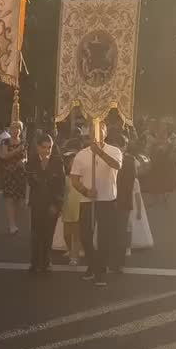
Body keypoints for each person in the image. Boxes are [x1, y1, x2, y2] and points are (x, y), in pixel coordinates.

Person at [71, 121, 123, 287]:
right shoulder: (81, 155)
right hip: (88, 200)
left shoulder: (114, 151)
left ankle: (100, 270)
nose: (96, 133)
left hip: (107, 200)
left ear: (105, 132)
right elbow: (74, 179)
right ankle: (92, 264)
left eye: (100, 129)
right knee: (86, 235)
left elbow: (117, 165)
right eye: (93, 130)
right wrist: (86, 191)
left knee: (104, 237)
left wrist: (99, 152)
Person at [26, 132, 65, 275]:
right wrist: (42, 167)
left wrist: (57, 204)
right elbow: (31, 181)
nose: (47, 150)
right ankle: (35, 262)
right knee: (36, 233)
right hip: (37, 203)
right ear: (38, 147)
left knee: (48, 234)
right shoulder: (32, 162)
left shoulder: (57, 162)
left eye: (49, 147)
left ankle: (46, 262)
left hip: (52, 203)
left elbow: (61, 185)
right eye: (44, 147)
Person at [110, 130, 136, 273]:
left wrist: (117, 200)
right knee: (111, 232)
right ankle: (112, 260)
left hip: (122, 201)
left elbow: (128, 184)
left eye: (120, 146)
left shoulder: (129, 161)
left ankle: (119, 263)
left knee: (120, 233)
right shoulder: (108, 159)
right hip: (109, 200)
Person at [0, 121, 27, 234]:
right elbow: (4, 155)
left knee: (20, 201)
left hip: (20, 174)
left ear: (21, 130)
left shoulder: (23, 143)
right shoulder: (5, 142)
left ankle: (16, 221)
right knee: (9, 199)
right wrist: (17, 151)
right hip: (8, 173)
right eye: (13, 128)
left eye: (18, 128)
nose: (15, 130)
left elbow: (26, 157)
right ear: (10, 129)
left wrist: (23, 161)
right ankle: (12, 225)